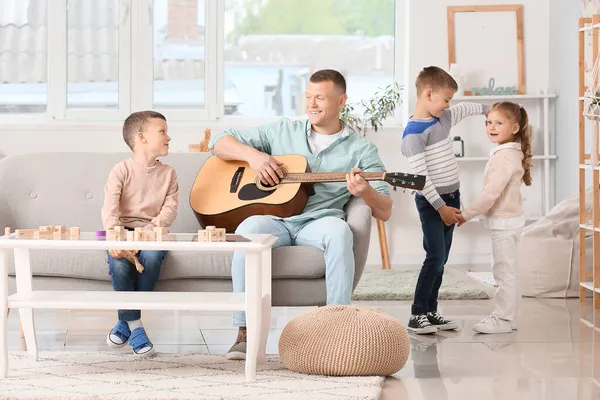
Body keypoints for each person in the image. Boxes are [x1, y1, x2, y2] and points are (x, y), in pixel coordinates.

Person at [209, 69, 392, 360]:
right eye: (308, 97)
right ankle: (244, 332)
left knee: (339, 231)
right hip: (274, 219)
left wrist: (365, 192)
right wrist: (255, 157)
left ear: (341, 100)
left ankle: (336, 328)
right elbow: (219, 141)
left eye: (320, 97)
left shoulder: (361, 149)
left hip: (320, 221)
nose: (312, 104)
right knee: (248, 230)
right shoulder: (282, 131)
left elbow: (385, 209)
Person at [400, 66, 488, 334]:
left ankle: (431, 311)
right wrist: (441, 209)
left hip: (452, 198)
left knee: (442, 258)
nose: (448, 105)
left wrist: (493, 109)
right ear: (428, 94)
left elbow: (464, 109)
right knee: (435, 256)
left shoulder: (443, 119)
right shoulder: (414, 134)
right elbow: (421, 178)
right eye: (445, 99)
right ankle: (417, 314)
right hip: (432, 203)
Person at [100, 110, 179, 357]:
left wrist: (146, 232)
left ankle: (125, 323)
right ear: (142, 138)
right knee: (121, 265)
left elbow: (169, 210)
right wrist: (115, 236)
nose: (169, 137)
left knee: (153, 258)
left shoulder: (169, 173)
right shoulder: (120, 170)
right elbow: (110, 209)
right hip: (122, 232)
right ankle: (135, 325)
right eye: (163, 132)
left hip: (152, 233)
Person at [458, 101, 532, 334]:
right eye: (489, 122)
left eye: (499, 122)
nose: (491, 126)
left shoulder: (504, 157)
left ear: (515, 128)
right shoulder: (507, 153)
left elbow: (490, 193)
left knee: (504, 272)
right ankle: (509, 318)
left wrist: (467, 214)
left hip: (505, 223)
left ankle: (502, 318)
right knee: (506, 270)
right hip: (508, 221)